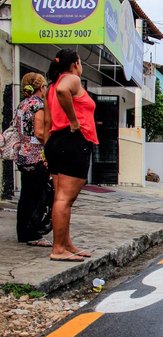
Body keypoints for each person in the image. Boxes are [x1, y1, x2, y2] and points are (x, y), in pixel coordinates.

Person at [44, 48, 98, 262]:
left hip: (57, 141)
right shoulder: (70, 80)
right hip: (72, 141)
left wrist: (48, 146)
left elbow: (48, 121)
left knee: (60, 198)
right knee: (65, 199)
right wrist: (74, 121)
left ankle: (66, 244)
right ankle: (58, 248)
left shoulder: (52, 85)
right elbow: (63, 92)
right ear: (76, 63)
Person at [14, 73, 52, 247]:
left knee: (26, 195)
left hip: (22, 153)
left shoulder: (22, 104)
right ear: (41, 87)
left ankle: (23, 231)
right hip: (35, 155)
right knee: (37, 195)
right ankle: (32, 233)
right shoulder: (38, 104)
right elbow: (38, 131)